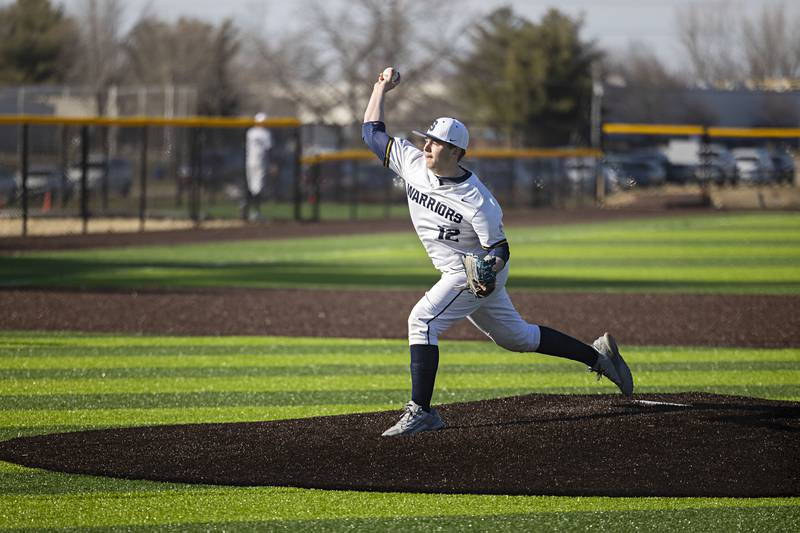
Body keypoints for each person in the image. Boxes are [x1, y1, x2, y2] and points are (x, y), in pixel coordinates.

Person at [362, 67, 634, 437]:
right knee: (516, 338)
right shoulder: (412, 164)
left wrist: (489, 268)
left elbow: (500, 247)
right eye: (426, 140)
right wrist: (380, 88)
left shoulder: (478, 200)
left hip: (472, 271)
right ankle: (598, 356)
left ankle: (421, 412)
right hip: (466, 272)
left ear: (456, 152)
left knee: (422, 321)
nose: (426, 146)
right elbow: (371, 131)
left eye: (435, 143)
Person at [244, 112, 273, 221]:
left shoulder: (250, 132)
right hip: (260, 162)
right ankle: (255, 212)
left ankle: (247, 207)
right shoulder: (266, 133)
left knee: (252, 186)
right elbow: (269, 149)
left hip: (250, 161)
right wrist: (271, 163)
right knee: (258, 187)